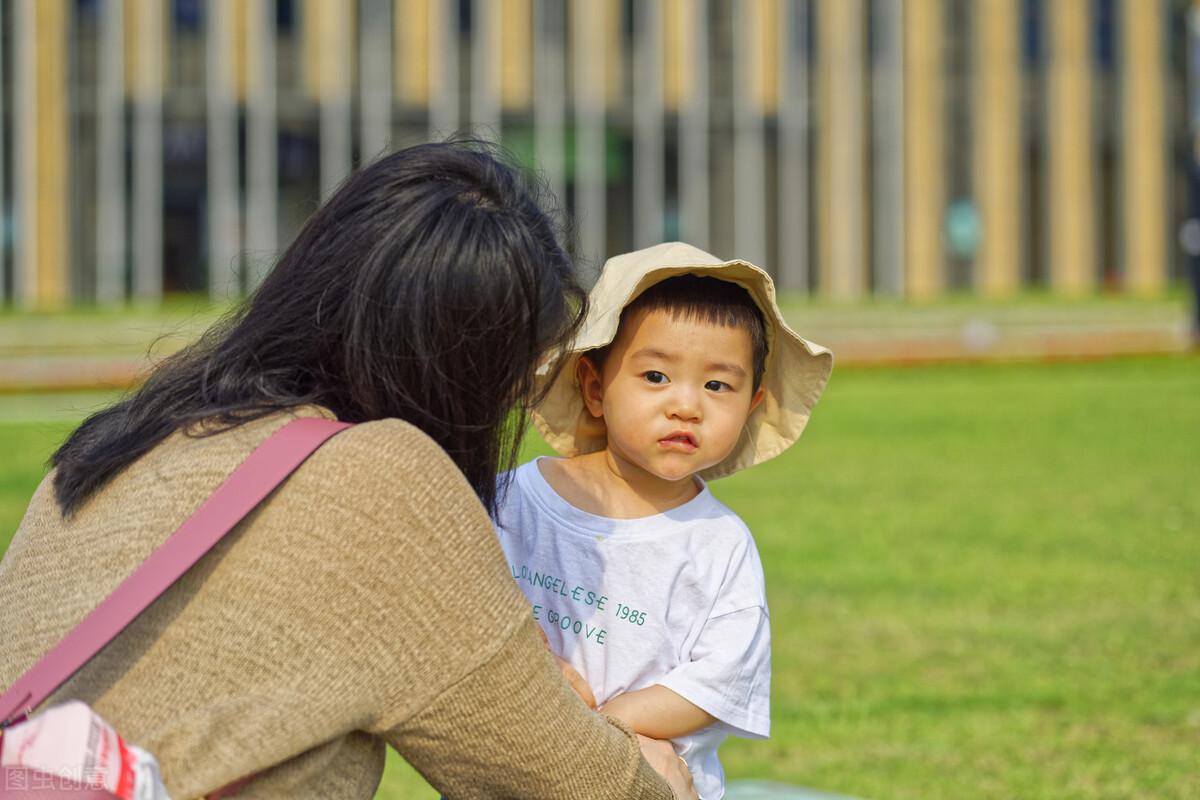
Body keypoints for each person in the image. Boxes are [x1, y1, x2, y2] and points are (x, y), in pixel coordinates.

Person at [0, 142, 695, 799]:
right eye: (520, 373)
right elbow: (571, 781)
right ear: (465, 371)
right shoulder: (383, 480)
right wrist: (654, 767)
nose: (519, 399)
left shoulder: (117, 444)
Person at [492, 242, 834, 799]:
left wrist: (604, 728)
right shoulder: (514, 503)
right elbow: (469, 612)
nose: (686, 405)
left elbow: (719, 681)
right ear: (595, 387)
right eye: (655, 376)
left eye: (717, 385)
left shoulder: (719, 545)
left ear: (751, 405)